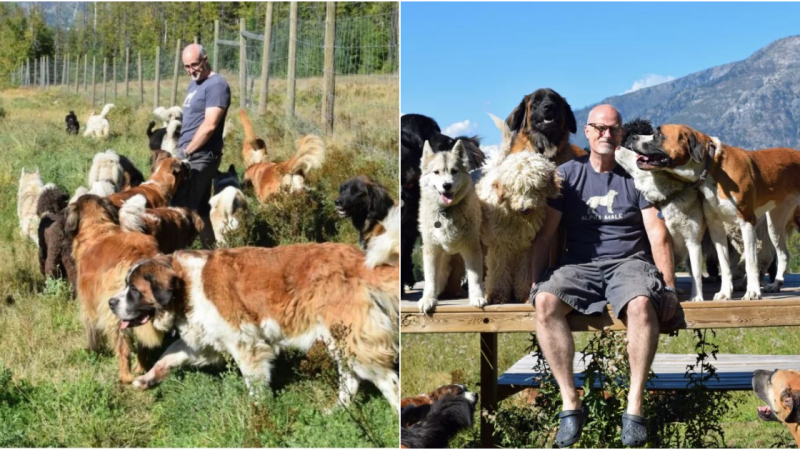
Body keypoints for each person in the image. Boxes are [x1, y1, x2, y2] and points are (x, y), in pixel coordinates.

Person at [528, 104, 678, 447]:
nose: (606, 135)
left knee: (642, 305)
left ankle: (634, 406)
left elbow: (658, 234)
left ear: (621, 133)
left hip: (630, 263)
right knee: (546, 303)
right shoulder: (565, 175)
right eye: (599, 128)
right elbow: (546, 234)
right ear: (588, 132)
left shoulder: (637, 175)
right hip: (579, 265)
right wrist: (536, 283)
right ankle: (570, 403)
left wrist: (668, 287)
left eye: (613, 129)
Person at [173, 43, 231, 247]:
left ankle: (179, 256)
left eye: (195, 65)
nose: (191, 70)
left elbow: (209, 125)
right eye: (186, 66)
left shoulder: (216, 85)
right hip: (190, 154)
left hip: (200, 156)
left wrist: (186, 152)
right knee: (200, 207)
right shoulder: (195, 83)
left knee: (182, 208)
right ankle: (211, 251)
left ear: (205, 59)